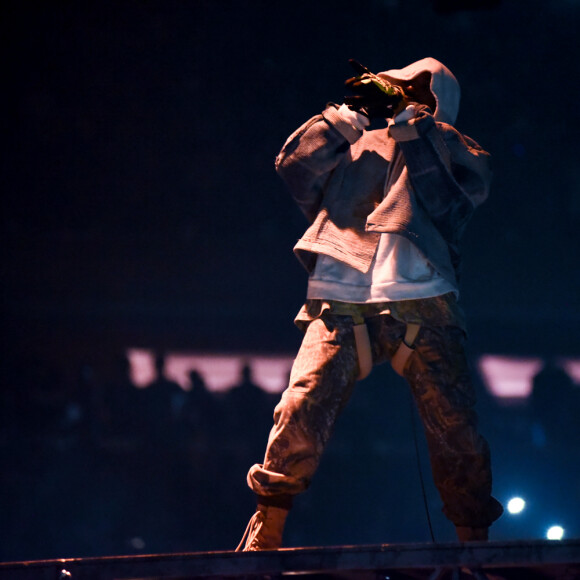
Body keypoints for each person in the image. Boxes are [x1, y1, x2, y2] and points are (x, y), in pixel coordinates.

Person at [237, 57, 503, 551]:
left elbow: (448, 204)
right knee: (299, 410)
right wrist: (342, 120)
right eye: (400, 90)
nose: (404, 98)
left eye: (416, 93)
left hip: (423, 302)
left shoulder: (456, 148)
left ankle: (474, 542)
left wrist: (414, 132)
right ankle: (266, 530)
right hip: (341, 295)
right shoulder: (354, 144)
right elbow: (293, 171)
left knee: (456, 427)